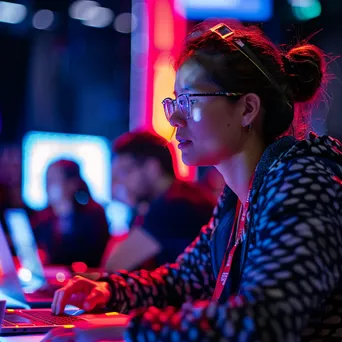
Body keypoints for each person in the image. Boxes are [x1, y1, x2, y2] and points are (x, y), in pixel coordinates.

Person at [44, 20, 342, 342]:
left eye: (189, 100)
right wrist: (108, 290)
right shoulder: (239, 198)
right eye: (174, 102)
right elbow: (183, 282)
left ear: (247, 108)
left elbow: (264, 322)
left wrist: (125, 332)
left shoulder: (303, 181)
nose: (173, 118)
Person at [104, 130, 215, 270]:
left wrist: (133, 208)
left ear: (152, 167)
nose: (123, 183)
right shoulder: (186, 195)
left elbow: (113, 266)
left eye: (126, 172)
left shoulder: (172, 207)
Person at [32, 159, 109, 268]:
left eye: (53, 181)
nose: (47, 187)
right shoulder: (43, 216)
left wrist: (65, 217)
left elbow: (90, 257)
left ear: (72, 184)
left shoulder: (93, 215)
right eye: (46, 181)